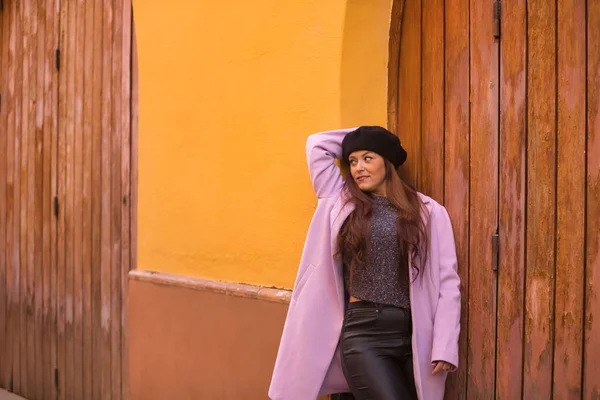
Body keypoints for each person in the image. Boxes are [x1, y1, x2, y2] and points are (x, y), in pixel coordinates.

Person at [269, 127, 461, 400]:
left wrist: (444, 344)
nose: (358, 167)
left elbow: (447, 282)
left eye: (368, 158)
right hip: (365, 334)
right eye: (353, 160)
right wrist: (365, 134)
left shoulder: (428, 212)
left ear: (388, 161)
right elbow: (317, 144)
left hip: (415, 336)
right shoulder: (340, 201)